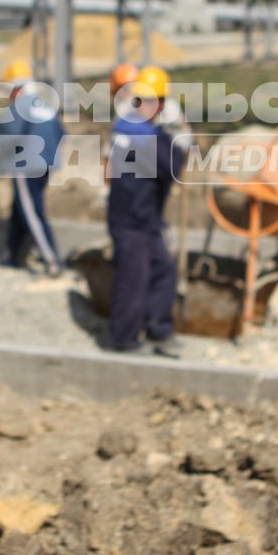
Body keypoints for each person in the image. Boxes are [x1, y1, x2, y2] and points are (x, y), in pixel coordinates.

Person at [105, 64, 186, 355]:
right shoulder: (145, 135)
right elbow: (173, 166)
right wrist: (175, 137)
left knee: (163, 269)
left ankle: (159, 329)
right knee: (133, 280)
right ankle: (123, 339)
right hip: (134, 220)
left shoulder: (126, 125)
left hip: (139, 217)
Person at [0, 60, 64, 276]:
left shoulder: (17, 106)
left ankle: (51, 260)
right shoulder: (42, 104)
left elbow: (8, 139)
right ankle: (10, 254)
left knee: (32, 213)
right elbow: (62, 132)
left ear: (14, 88)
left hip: (25, 166)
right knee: (21, 208)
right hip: (45, 163)